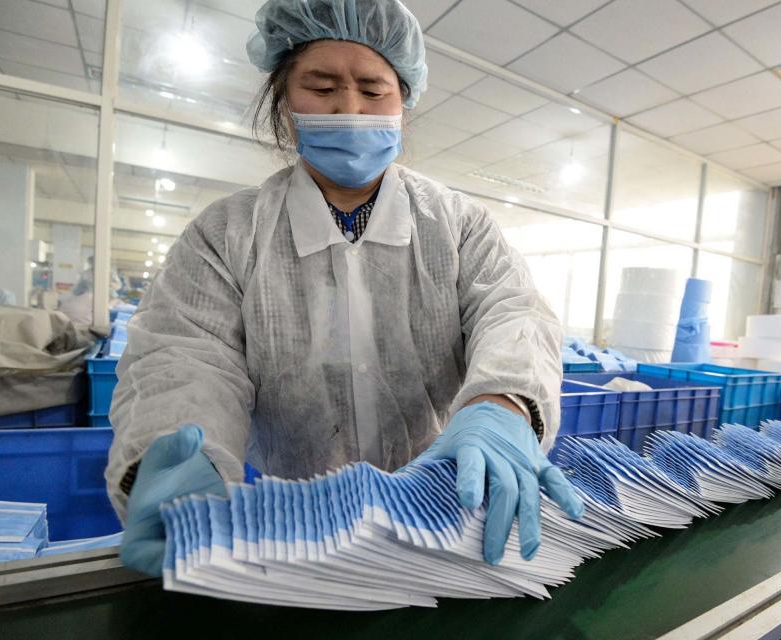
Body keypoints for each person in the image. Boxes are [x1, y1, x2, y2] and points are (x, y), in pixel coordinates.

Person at [107, 0, 582, 578]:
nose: (350, 109)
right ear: (285, 102)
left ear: (404, 103)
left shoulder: (458, 224)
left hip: (443, 504)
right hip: (298, 524)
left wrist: (501, 405)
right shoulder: (226, 232)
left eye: (373, 90)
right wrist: (185, 453)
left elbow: (515, 312)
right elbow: (185, 355)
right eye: (323, 86)